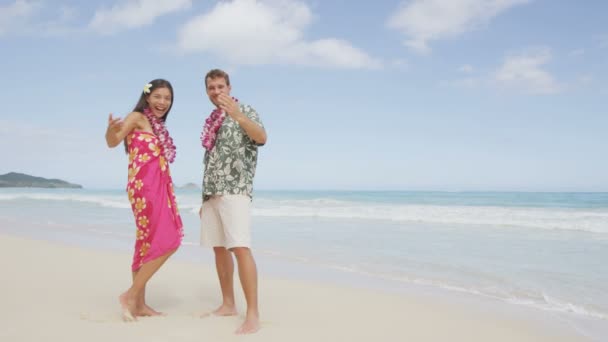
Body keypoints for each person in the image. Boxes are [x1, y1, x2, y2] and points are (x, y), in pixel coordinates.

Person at [105, 79, 183, 322]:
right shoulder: (137, 117)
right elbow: (113, 140)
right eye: (158, 96)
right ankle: (131, 295)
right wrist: (110, 129)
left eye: (167, 98)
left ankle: (139, 304)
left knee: (146, 241)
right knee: (170, 240)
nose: (163, 102)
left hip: (159, 185)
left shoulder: (157, 125)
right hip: (145, 187)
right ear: (147, 97)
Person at [199, 69, 267, 334]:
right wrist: (204, 197)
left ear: (229, 87)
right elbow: (211, 161)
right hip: (212, 192)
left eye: (220, 86)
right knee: (218, 248)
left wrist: (237, 115)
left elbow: (261, 138)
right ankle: (228, 304)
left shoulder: (245, 109)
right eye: (211, 88)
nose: (216, 92)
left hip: (235, 190)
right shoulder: (211, 120)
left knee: (240, 247)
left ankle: (253, 314)